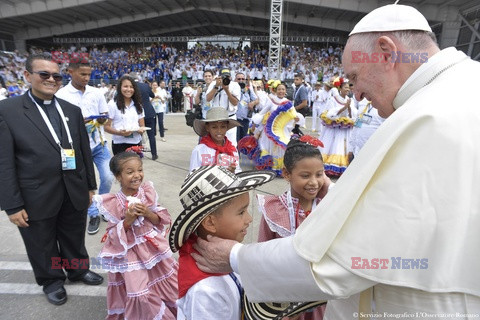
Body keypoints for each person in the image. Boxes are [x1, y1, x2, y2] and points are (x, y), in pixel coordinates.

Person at [192, 4, 480, 317]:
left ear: (385, 52)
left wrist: (237, 258)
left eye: (355, 77)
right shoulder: (459, 91)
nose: (355, 95)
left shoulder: (426, 116)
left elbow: (348, 261)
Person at [0, 53, 103, 306]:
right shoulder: (8, 111)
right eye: (43, 74)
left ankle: (77, 270)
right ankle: (52, 280)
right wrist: (12, 205)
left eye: (56, 76)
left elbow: (82, 151)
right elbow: (4, 161)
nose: (51, 79)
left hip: (73, 189)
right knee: (42, 242)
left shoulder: (71, 110)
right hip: (35, 194)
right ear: (27, 76)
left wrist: (90, 185)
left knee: (73, 237)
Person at [169, 165, 276, 320]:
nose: (249, 219)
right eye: (241, 212)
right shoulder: (205, 291)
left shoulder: (228, 254)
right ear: (210, 222)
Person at [92, 152, 178, 320]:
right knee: (139, 293)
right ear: (118, 177)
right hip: (129, 253)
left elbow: (160, 220)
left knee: (166, 282)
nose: (137, 175)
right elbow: (112, 236)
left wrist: (147, 212)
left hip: (152, 247)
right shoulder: (114, 202)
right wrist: (128, 221)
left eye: (140, 170)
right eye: (130, 172)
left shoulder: (146, 193)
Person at [257, 136, 328, 320]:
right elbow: (263, 256)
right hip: (284, 300)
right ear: (287, 174)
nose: (314, 182)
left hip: (321, 298)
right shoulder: (274, 210)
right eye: (305, 175)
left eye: (319, 174)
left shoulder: (328, 207)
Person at [56, 61, 114, 235]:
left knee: (108, 177)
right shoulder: (61, 95)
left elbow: (105, 116)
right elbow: (58, 122)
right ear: (70, 72)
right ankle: (93, 214)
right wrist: (78, 123)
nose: (87, 78)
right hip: (74, 148)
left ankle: (100, 207)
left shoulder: (96, 92)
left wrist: (101, 119)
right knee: (82, 184)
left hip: (98, 144)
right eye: (82, 74)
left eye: (89, 74)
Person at [319, 79, 357, 177]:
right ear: (340, 88)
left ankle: (342, 166)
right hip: (335, 127)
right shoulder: (333, 99)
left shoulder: (350, 100)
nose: (347, 90)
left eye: (349, 88)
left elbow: (352, 115)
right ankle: (331, 166)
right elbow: (329, 114)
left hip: (345, 127)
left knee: (343, 145)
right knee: (334, 144)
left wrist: (348, 107)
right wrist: (343, 108)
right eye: (345, 87)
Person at [189, 107, 242, 173]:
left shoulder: (232, 150)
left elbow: (238, 174)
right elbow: (192, 175)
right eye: (214, 127)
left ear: (227, 127)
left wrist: (232, 172)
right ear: (207, 128)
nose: (219, 131)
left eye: (223, 127)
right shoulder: (199, 150)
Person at [104, 75, 146, 155]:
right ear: (120, 88)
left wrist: (141, 130)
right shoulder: (112, 104)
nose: (128, 89)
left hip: (136, 143)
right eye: (125, 86)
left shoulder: (138, 105)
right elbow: (106, 127)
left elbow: (142, 125)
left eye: (131, 87)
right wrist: (120, 133)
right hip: (119, 144)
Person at [205, 68, 241, 147]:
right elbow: (208, 99)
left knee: (231, 143)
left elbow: (235, 103)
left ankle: (231, 158)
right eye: (224, 77)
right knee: (216, 141)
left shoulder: (235, 85)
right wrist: (216, 86)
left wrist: (227, 90)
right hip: (216, 118)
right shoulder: (213, 84)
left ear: (230, 77)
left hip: (230, 118)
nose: (225, 79)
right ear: (219, 77)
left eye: (227, 77)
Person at [131, 72, 158, 160]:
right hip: (149, 112)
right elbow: (152, 95)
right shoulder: (145, 86)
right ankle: (154, 154)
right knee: (151, 136)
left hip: (138, 113)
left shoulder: (131, 87)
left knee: (138, 134)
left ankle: (138, 153)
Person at [235, 72, 258, 142]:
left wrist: (252, 103)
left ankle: (241, 153)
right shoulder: (232, 89)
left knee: (243, 140)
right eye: (239, 79)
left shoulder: (248, 90)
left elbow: (257, 100)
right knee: (235, 139)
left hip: (245, 119)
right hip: (235, 119)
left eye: (242, 79)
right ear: (235, 80)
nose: (241, 80)